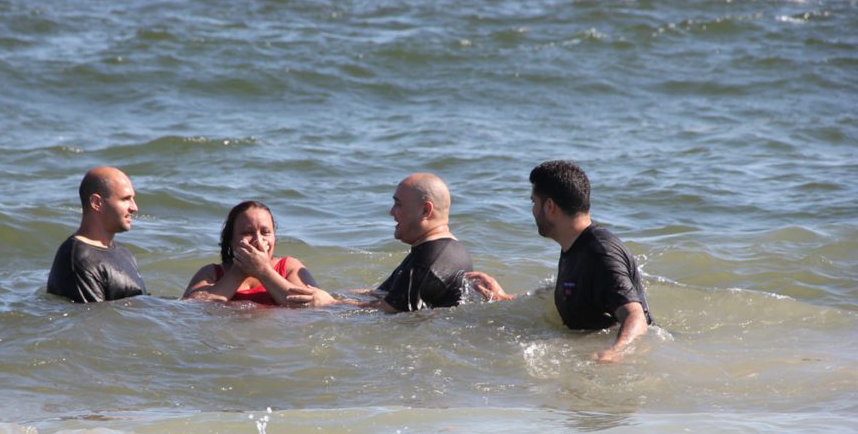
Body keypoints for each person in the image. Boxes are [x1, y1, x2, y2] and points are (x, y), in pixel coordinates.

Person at [466, 160, 652, 362]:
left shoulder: (601, 254)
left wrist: (615, 352)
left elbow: (636, 316)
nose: (533, 211)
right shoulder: (575, 246)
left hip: (609, 368)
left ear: (549, 206)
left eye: (533, 202)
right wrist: (503, 298)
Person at [287, 173, 472, 311]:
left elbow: (390, 310)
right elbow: (382, 293)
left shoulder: (430, 260)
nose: (391, 212)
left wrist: (330, 303)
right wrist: (333, 293)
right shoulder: (435, 250)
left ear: (425, 211)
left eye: (398, 204)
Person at [182, 200, 332, 306]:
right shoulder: (211, 273)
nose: (258, 240)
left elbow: (308, 305)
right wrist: (239, 271)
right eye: (248, 232)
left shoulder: (288, 267)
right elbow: (193, 308)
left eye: (265, 232)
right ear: (231, 240)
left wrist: (263, 271)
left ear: (275, 238)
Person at [47, 166, 147, 303]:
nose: (134, 207)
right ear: (96, 203)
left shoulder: (123, 252)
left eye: (133, 199)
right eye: (125, 199)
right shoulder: (78, 259)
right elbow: (94, 319)